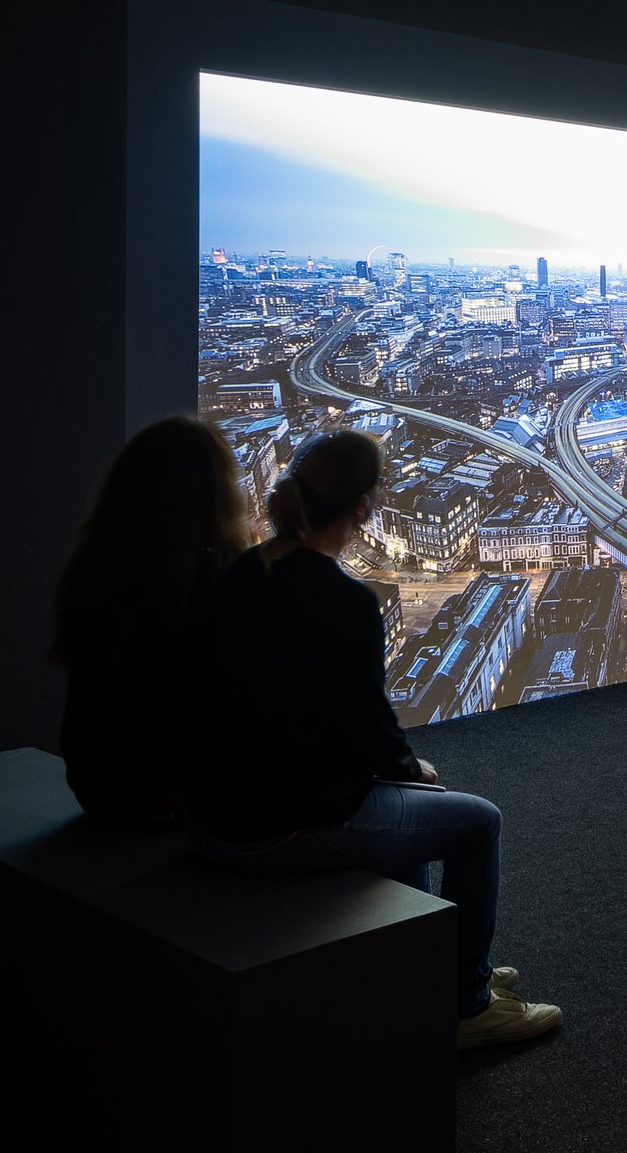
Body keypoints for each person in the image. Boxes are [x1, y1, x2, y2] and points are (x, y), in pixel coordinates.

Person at [190, 429, 561, 1050]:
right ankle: (467, 1004)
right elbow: (370, 731)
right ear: (363, 508)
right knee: (479, 823)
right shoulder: (344, 601)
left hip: (214, 814)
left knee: (409, 803)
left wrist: (395, 767)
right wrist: (412, 768)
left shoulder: (242, 575)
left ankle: (429, 965)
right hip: (283, 825)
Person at [50, 415, 249, 823]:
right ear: (218, 495)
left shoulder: (95, 570)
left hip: (99, 790)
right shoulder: (219, 580)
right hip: (184, 799)